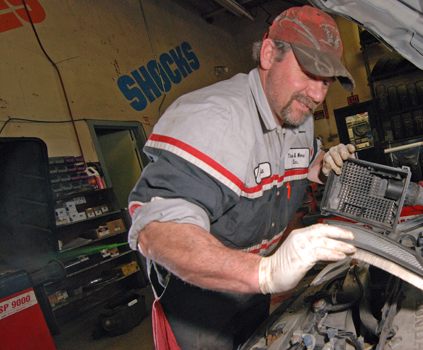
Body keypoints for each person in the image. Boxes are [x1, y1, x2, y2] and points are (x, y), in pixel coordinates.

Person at [126, 5, 358, 349]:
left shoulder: (297, 116)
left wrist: (324, 165)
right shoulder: (210, 119)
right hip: (197, 297)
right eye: (309, 73)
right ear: (268, 54)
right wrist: (265, 273)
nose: (318, 94)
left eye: (326, 81)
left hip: (256, 284)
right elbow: (158, 232)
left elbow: (301, 164)